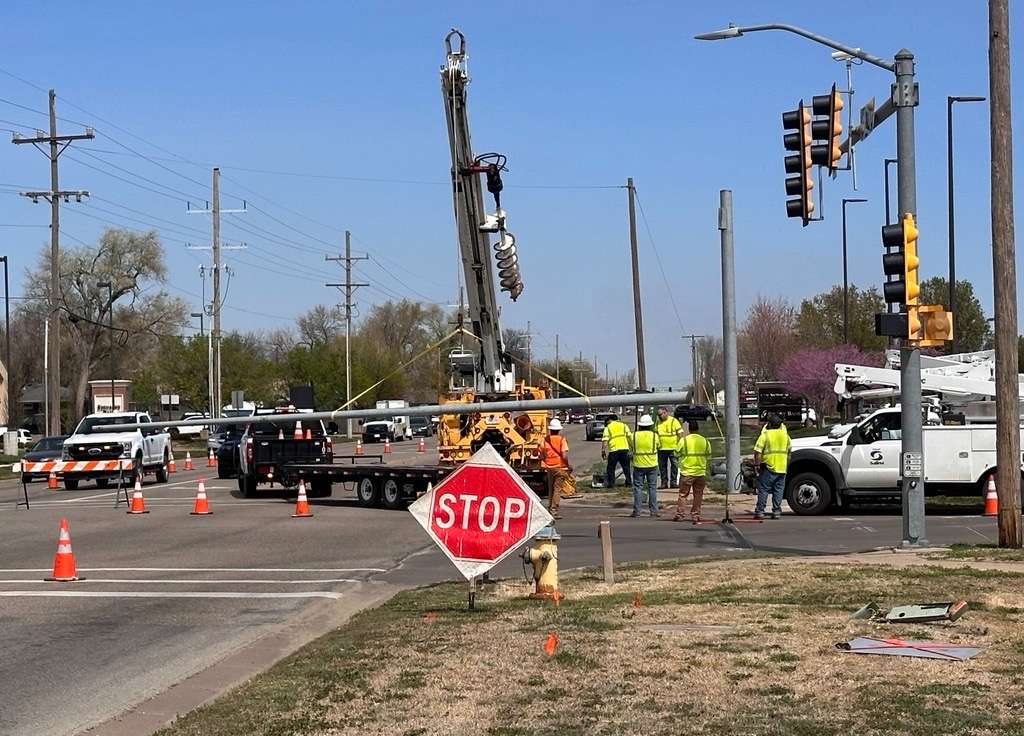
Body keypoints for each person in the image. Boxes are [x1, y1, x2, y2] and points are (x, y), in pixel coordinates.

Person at [753, 413, 791, 520]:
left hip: (768, 467)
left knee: (764, 490)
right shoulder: (785, 436)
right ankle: (776, 512)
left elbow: (757, 452)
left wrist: (757, 464)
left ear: (769, 424)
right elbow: (789, 452)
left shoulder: (765, 435)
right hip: (782, 468)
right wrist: (786, 465)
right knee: (778, 490)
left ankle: (760, 511)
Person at [674, 420, 712, 523]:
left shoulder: (684, 441)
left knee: (683, 494)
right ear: (698, 429)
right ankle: (695, 515)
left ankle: (680, 514)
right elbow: (708, 454)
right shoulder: (705, 441)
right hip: (700, 472)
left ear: (689, 429)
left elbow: (676, 453)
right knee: (698, 495)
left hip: (687, 472)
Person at [630, 414, 660, 517]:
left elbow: (631, 447)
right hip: (652, 464)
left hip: (638, 464)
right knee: (652, 488)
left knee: (638, 488)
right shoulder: (655, 436)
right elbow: (658, 446)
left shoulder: (633, 435)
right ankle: (654, 511)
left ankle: (637, 511)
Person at [541, 418, 570, 520]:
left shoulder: (545, 440)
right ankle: (554, 510)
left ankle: (549, 509)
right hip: (560, 467)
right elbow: (564, 455)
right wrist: (568, 465)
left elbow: (541, 453)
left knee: (551, 489)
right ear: (558, 430)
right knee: (557, 489)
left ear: (550, 430)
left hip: (549, 468)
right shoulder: (562, 440)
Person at [602, 414, 632, 489]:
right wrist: (632, 447)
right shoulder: (624, 425)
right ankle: (629, 482)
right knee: (626, 467)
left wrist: (603, 450)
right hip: (624, 449)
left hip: (614, 450)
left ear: (609, 420)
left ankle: (611, 484)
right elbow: (629, 437)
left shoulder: (608, 427)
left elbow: (605, 440)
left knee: (611, 468)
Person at [656, 406, 683, 489]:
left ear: (665, 412)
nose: (660, 416)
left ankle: (673, 482)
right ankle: (664, 482)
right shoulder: (658, 422)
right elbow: (656, 433)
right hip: (661, 449)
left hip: (673, 448)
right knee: (662, 467)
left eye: (661, 414)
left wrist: (677, 445)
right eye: (658, 415)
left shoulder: (674, 421)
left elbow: (680, 434)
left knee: (674, 465)